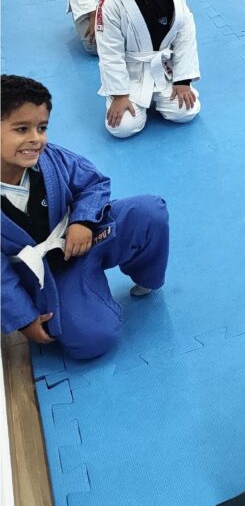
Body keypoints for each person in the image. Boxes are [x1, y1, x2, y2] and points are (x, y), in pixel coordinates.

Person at [0, 75, 169, 360]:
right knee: (93, 339)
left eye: (42, 128)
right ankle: (83, 298)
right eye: (21, 129)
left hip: (86, 240)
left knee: (150, 212)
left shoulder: (51, 158)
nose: (35, 139)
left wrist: (83, 220)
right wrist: (24, 319)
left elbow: (94, 183)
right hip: (50, 278)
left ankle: (146, 278)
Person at [96, 0, 201, 138]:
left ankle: (166, 93)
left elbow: (185, 38)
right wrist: (119, 95)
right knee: (121, 128)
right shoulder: (110, 4)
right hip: (131, 75)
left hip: (163, 68)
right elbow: (110, 53)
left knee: (186, 111)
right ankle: (125, 98)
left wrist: (182, 81)